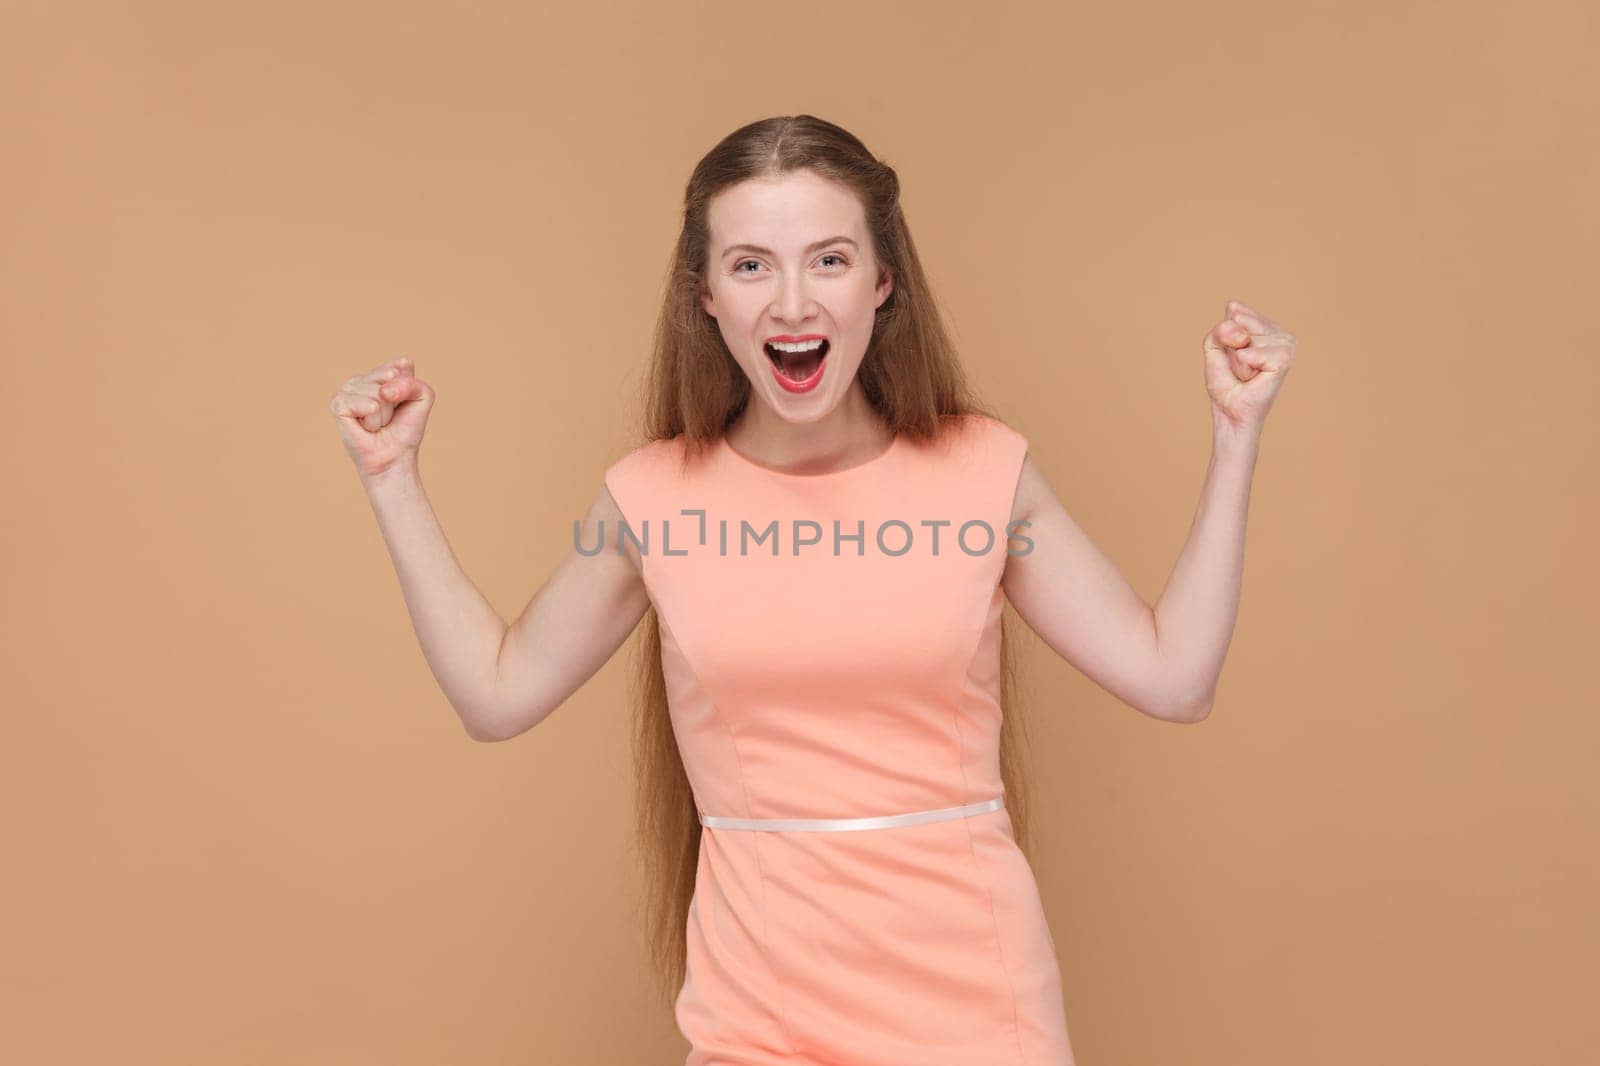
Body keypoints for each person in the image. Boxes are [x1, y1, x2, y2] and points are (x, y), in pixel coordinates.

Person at [328, 114, 1297, 1066]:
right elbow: (498, 693)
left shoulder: (983, 472)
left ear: (882, 282)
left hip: (972, 1013)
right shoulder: (651, 499)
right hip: (758, 1020)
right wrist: (391, 481)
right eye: (750, 265)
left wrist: (1235, 435)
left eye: (827, 260)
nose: (791, 302)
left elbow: (1175, 678)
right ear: (704, 294)